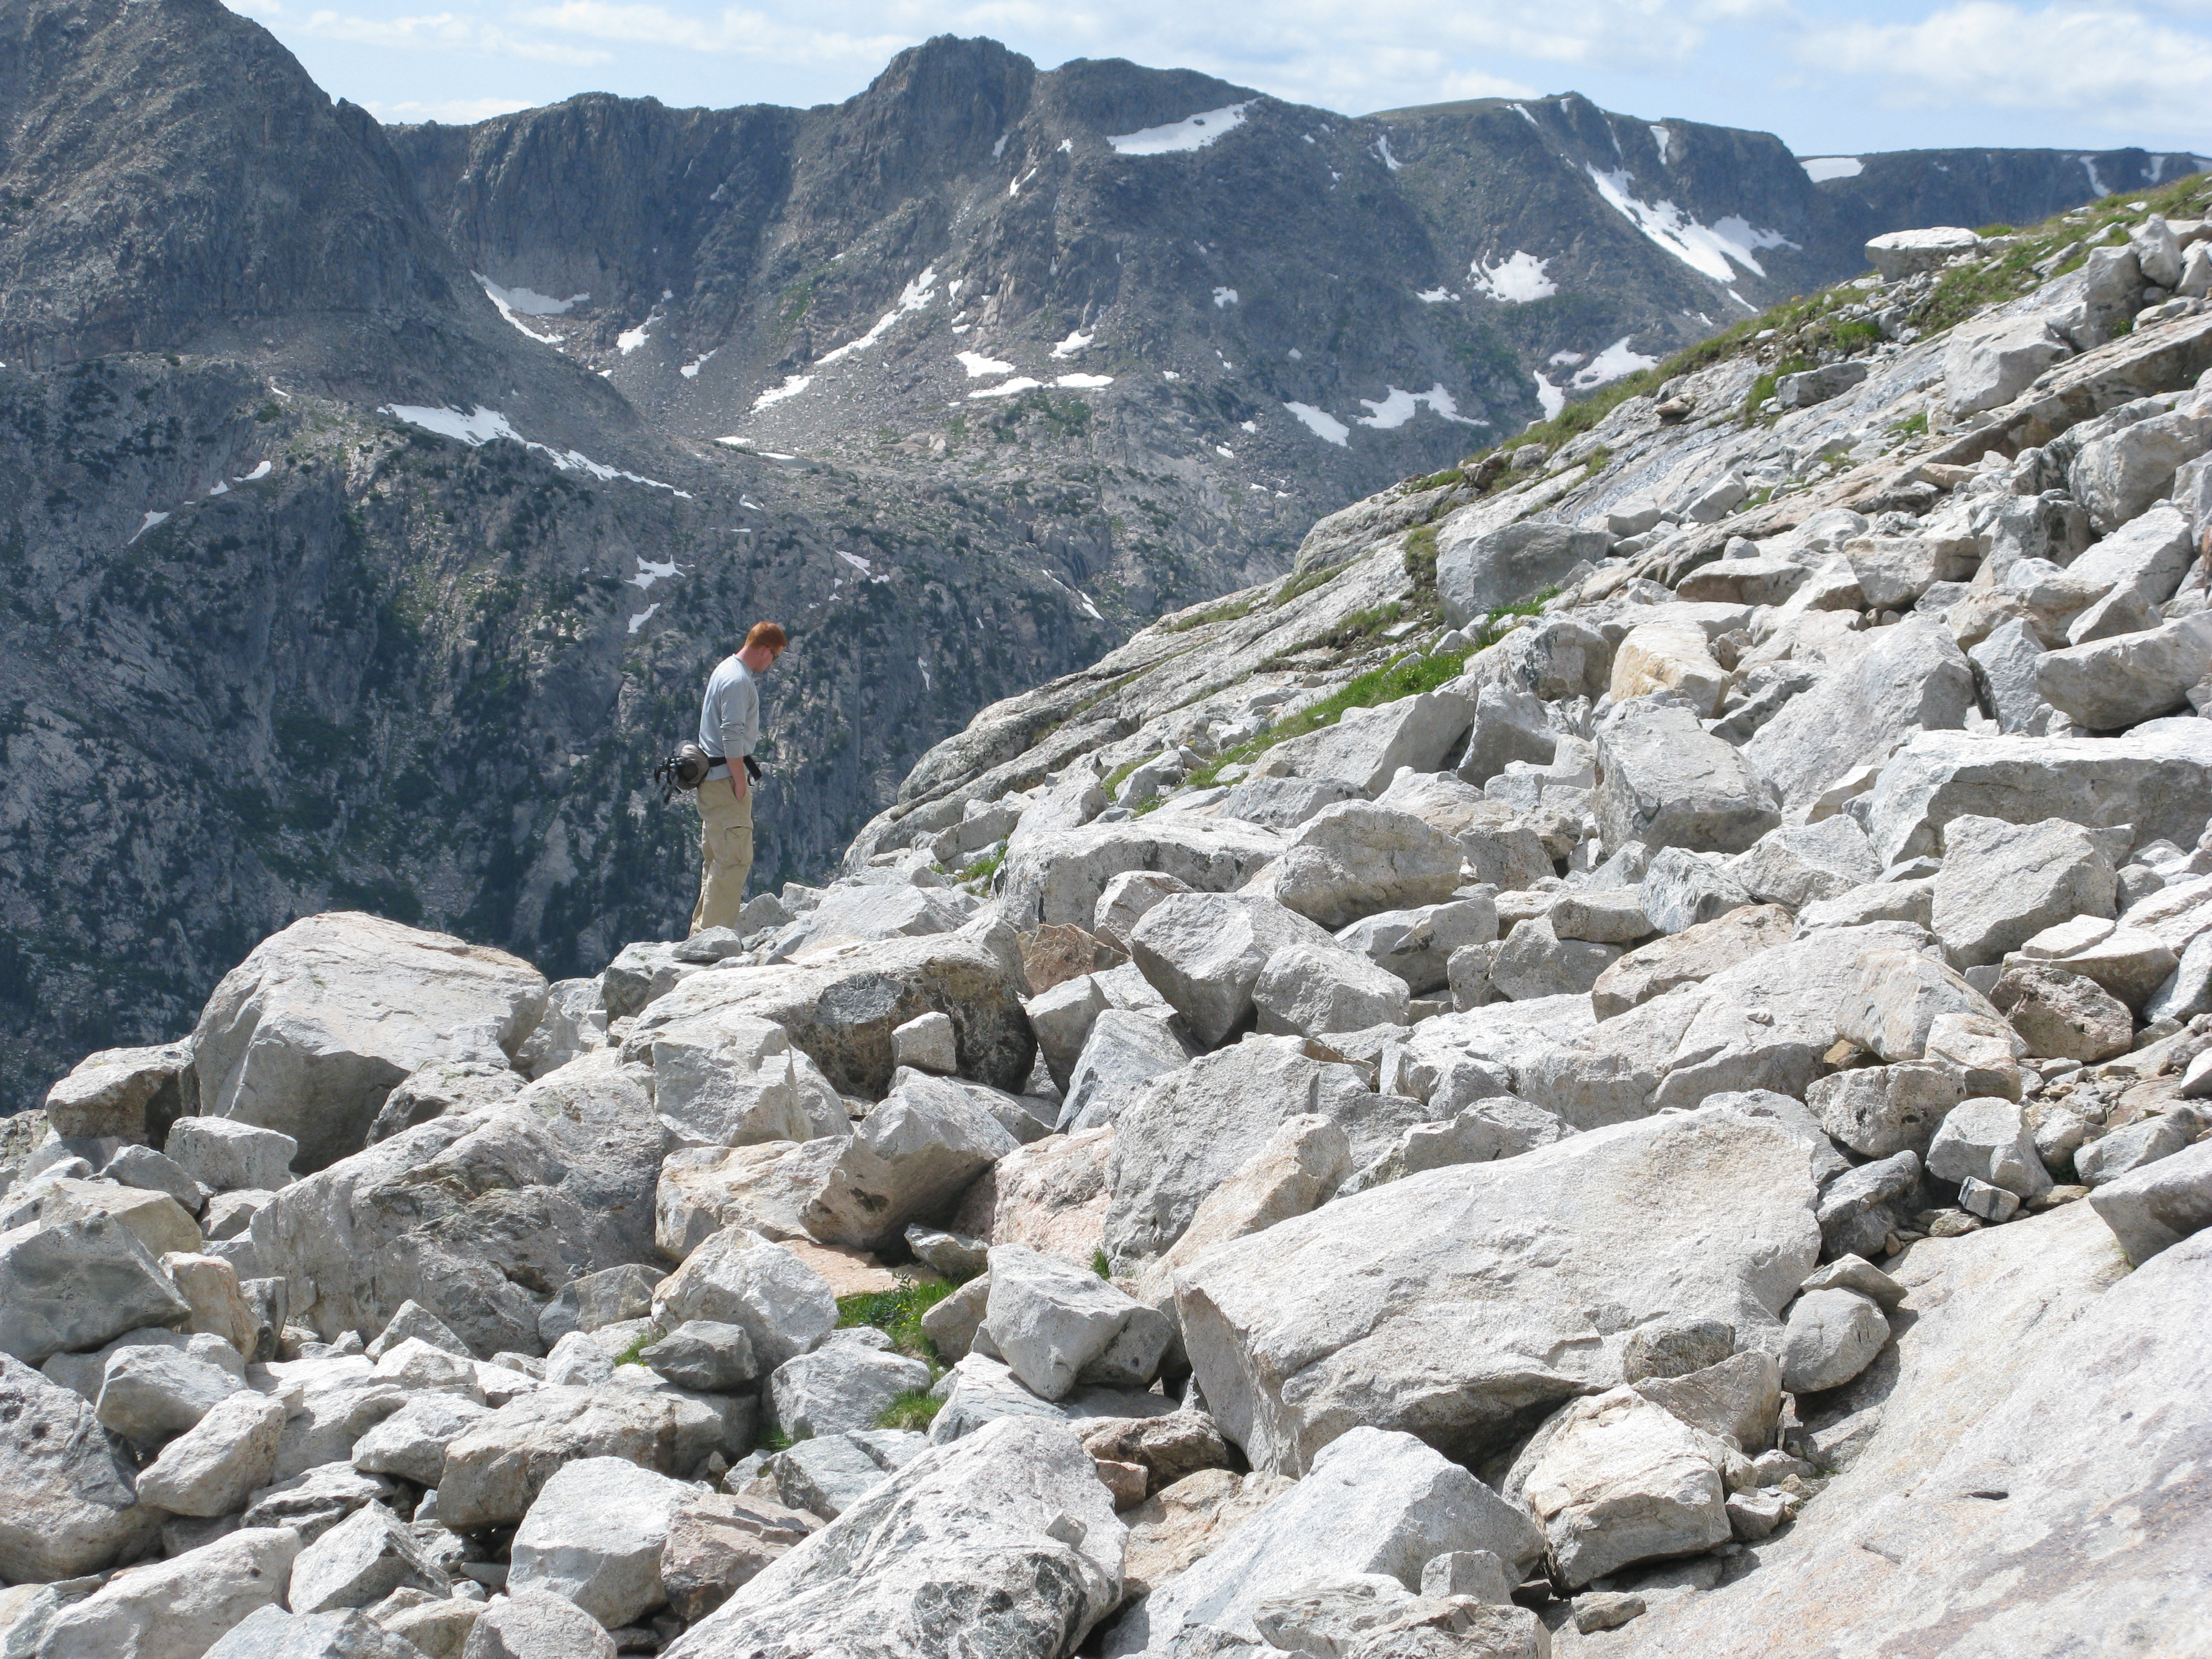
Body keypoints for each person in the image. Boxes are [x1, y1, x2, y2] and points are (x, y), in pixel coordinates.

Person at [690, 621, 786, 935]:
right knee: (734, 859)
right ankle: (714, 941)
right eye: (774, 656)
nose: (772, 664)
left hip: (712, 777)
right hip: (725, 780)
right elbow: (732, 734)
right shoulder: (737, 681)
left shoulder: (725, 669)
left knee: (717, 858)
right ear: (763, 650)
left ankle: (701, 933)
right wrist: (739, 781)